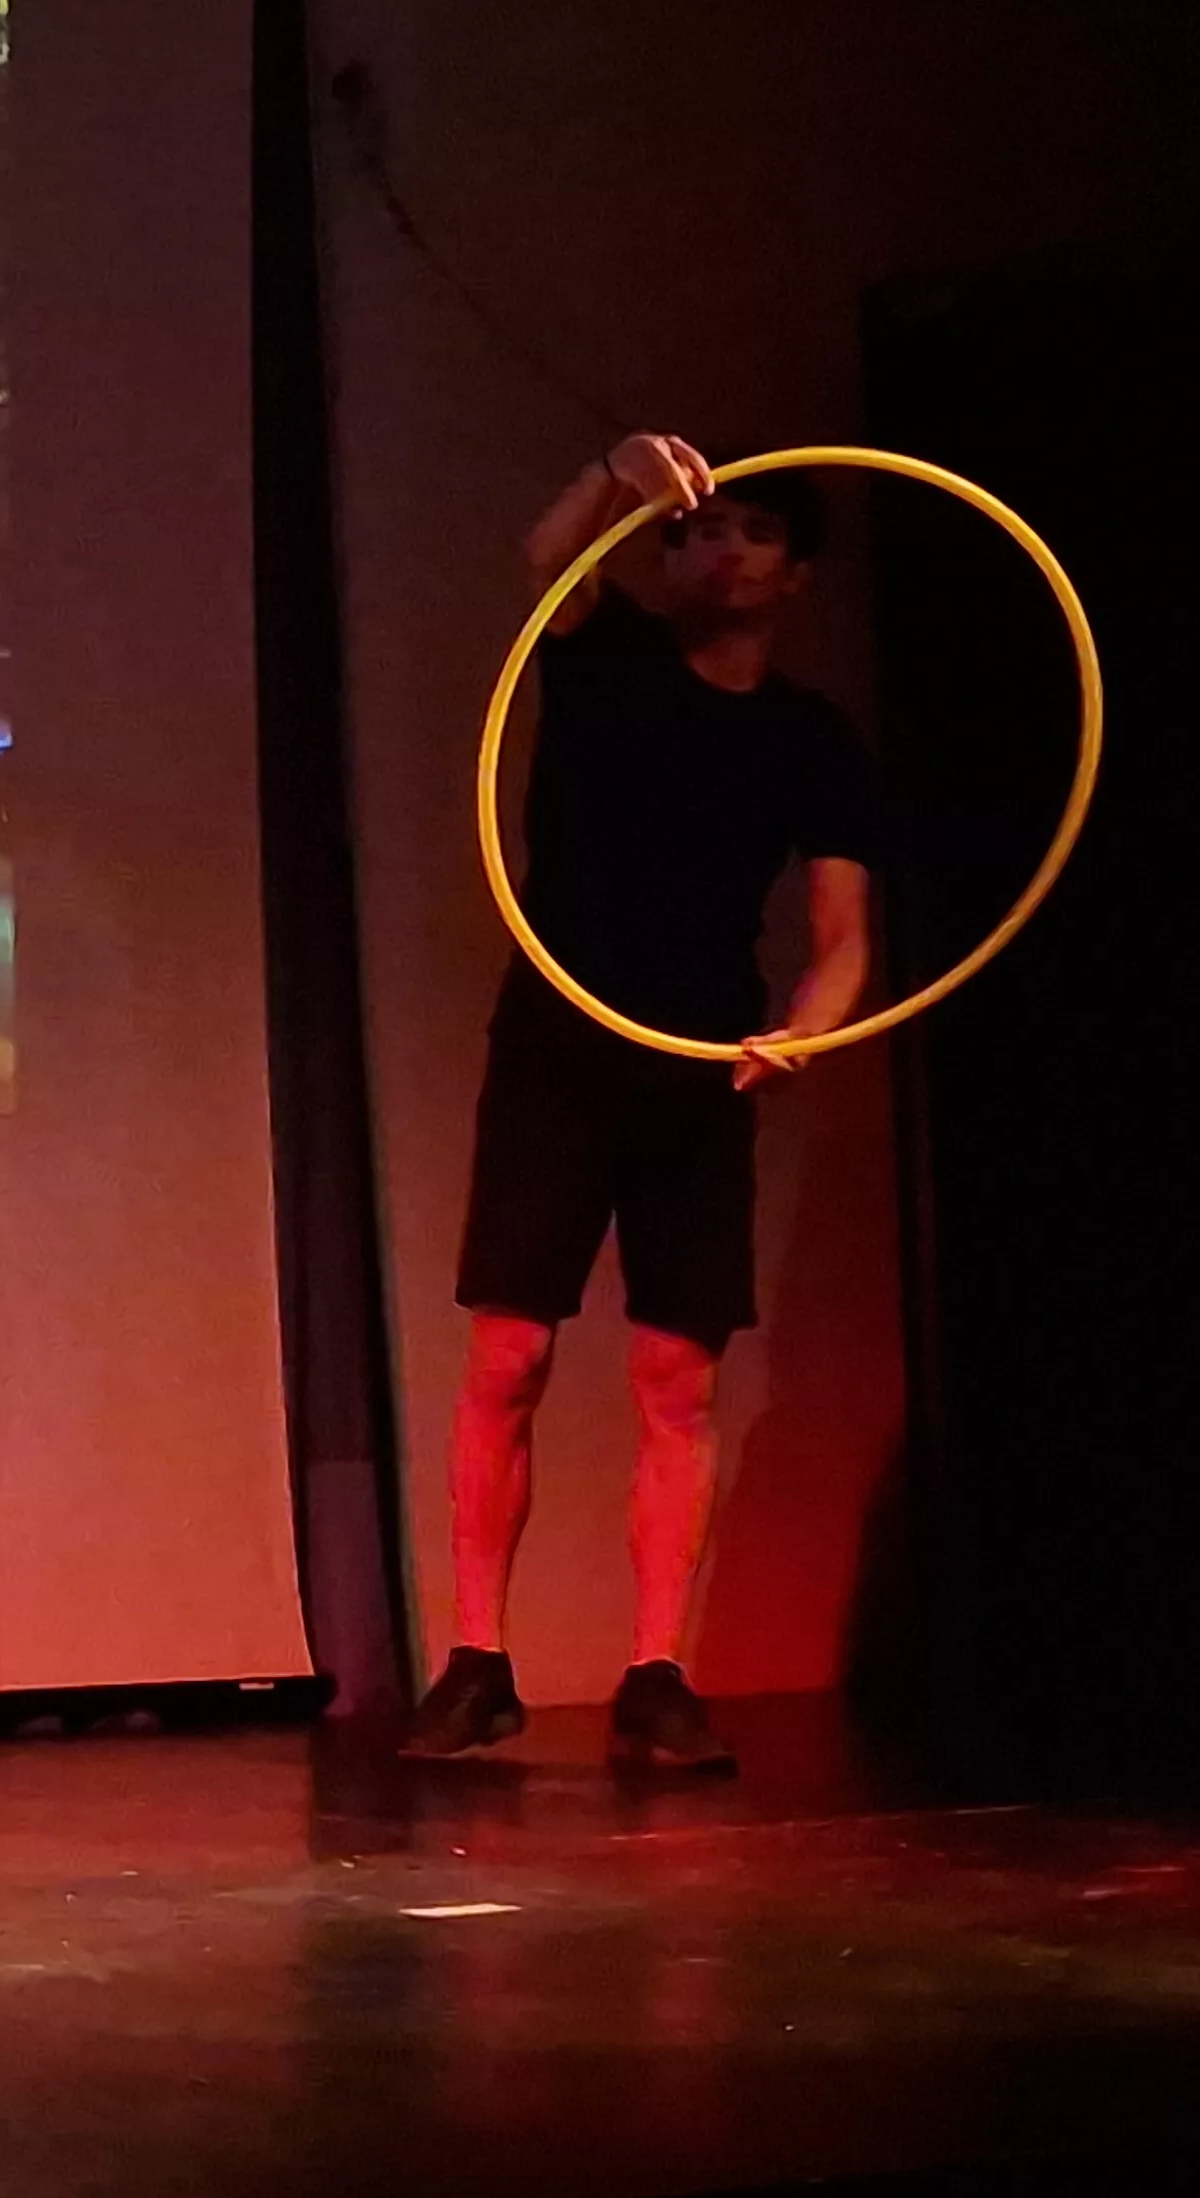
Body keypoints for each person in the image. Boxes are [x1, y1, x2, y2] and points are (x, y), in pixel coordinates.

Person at [404, 433, 880, 1773]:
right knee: (511, 1352)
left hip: (697, 1056)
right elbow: (546, 560)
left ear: (793, 577)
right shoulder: (605, 657)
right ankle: (479, 1660)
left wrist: (806, 1031)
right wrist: (615, 477)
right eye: (692, 530)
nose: (710, 549)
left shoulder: (809, 738)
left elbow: (844, 934)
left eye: (744, 533)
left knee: (678, 1372)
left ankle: (656, 1669)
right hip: (560, 1040)